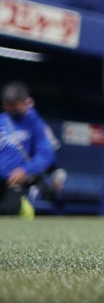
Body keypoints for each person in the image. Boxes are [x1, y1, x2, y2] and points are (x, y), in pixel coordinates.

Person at [1, 82, 54, 217]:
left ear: (25, 102)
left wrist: (25, 170)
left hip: (14, 183)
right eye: (7, 106)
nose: (10, 109)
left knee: (9, 209)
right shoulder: (2, 121)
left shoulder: (34, 122)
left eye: (15, 106)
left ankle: (24, 207)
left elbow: (46, 154)